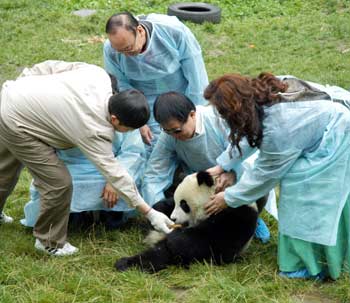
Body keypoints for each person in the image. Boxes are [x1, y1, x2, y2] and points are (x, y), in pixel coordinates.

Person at [0, 60, 173, 256]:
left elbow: (51, 66)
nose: (128, 132)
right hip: (18, 123)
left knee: (5, 167)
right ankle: (48, 241)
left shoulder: (98, 76)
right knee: (58, 183)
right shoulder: (94, 129)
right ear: (115, 119)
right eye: (129, 129)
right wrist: (150, 213)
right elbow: (116, 175)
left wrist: (25, 80)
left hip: (11, 95)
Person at [203, 72, 350, 280]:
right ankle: (308, 258)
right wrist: (222, 165)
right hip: (321, 127)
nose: (219, 116)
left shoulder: (279, 128)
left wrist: (227, 199)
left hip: (336, 135)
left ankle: (313, 265)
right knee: (300, 193)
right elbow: (250, 132)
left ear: (234, 111)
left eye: (221, 112)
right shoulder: (258, 96)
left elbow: (264, 177)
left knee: (307, 200)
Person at [142, 91, 274, 243]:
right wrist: (157, 213)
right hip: (199, 184)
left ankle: (253, 219)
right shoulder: (170, 135)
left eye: (177, 130)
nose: (174, 136)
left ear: (192, 115)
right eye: (167, 131)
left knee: (258, 184)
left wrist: (233, 173)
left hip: (232, 176)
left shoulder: (218, 120)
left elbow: (247, 154)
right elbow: (155, 172)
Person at [103, 11, 209, 154]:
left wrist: (197, 110)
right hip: (145, 101)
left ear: (139, 30)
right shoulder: (111, 50)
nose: (125, 54)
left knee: (189, 137)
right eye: (120, 51)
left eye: (128, 48)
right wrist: (139, 121)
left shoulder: (172, 31)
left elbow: (196, 76)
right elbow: (120, 84)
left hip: (181, 95)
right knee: (151, 146)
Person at [21, 128, 146, 230]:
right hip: (70, 165)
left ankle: (109, 214)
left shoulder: (118, 111)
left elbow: (132, 153)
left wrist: (115, 180)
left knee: (129, 174)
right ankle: (73, 215)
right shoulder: (64, 111)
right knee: (61, 182)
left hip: (109, 167)